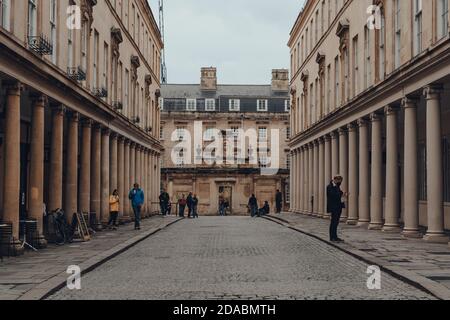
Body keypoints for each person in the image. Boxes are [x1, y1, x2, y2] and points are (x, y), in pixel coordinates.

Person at [327, 175, 346, 242]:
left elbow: (339, 194)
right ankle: (332, 237)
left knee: (336, 222)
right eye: (339, 181)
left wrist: (344, 194)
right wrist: (341, 194)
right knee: (333, 222)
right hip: (334, 207)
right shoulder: (330, 186)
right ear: (335, 180)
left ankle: (335, 236)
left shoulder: (337, 187)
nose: (340, 182)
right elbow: (333, 195)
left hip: (338, 207)